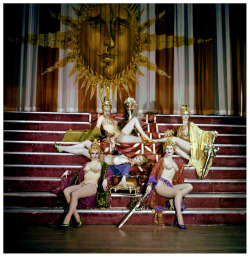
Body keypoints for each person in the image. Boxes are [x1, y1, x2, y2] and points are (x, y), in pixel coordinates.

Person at [55, 96, 153, 154]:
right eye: (105, 111)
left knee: (135, 119)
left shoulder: (112, 119)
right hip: (117, 138)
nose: (107, 113)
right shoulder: (101, 118)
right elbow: (96, 130)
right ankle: (63, 148)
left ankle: (146, 137)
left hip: (121, 133)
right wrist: (102, 137)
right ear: (103, 110)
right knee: (85, 143)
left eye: (108, 111)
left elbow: (118, 128)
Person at [52, 140, 113, 228]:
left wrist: (105, 180)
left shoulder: (102, 165)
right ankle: (77, 217)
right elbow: (79, 174)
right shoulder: (87, 164)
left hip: (92, 186)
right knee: (66, 191)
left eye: (96, 153)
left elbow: (108, 174)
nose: (95, 155)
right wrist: (69, 172)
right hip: (83, 184)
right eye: (93, 153)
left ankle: (67, 217)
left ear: (99, 154)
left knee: (74, 194)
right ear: (90, 154)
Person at [154, 104, 219, 179]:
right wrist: (170, 132)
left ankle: (154, 140)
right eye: (184, 114)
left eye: (187, 114)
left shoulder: (191, 125)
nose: (185, 116)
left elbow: (201, 133)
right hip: (185, 149)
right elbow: (177, 136)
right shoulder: (180, 128)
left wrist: (211, 133)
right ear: (181, 115)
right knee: (173, 147)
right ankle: (191, 160)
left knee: (173, 139)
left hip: (191, 147)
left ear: (189, 116)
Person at [146, 137, 193, 229]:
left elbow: (179, 172)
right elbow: (154, 172)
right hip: (161, 186)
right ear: (165, 150)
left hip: (170, 187)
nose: (169, 150)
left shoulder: (175, 162)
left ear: (173, 150)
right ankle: (179, 219)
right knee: (178, 192)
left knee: (189, 186)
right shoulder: (162, 161)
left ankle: (175, 198)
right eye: (167, 148)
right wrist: (150, 184)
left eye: (171, 148)